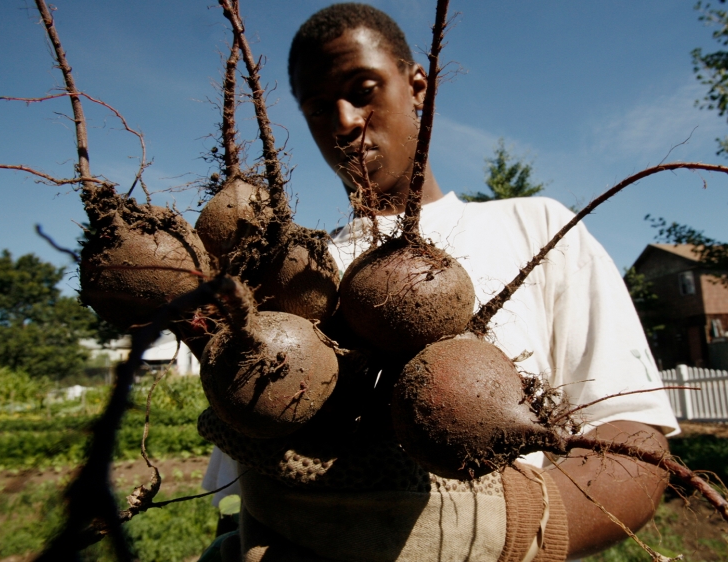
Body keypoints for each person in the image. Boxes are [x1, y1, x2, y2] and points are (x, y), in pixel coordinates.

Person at [202, 4, 679, 560]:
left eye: (362, 89)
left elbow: (635, 440)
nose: (344, 122)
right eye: (316, 109)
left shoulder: (539, 226)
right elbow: (241, 479)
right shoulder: (294, 276)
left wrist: (520, 531)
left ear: (418, 85)